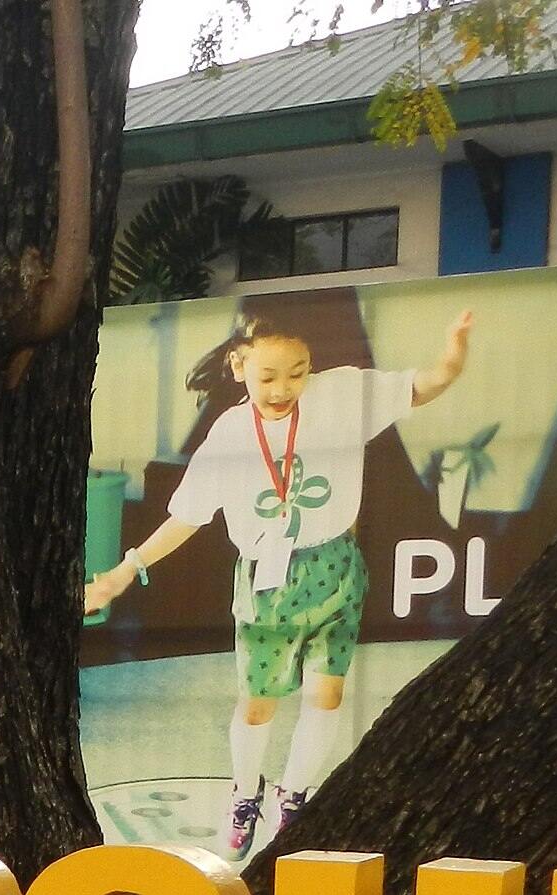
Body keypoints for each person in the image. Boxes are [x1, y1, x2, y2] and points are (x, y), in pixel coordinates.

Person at [84, 307, 474, 862]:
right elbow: (188, 517)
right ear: (239, 366)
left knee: (327, 692)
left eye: (298, 371)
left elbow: (427, 385)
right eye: (269, 376)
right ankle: (245, 795)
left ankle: (294, 796)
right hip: (268, 580)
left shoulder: (341, 396)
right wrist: (126, 570)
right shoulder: (228, 434)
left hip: (336, 568)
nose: (284, 387)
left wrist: (453, 352)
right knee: (257, 705)